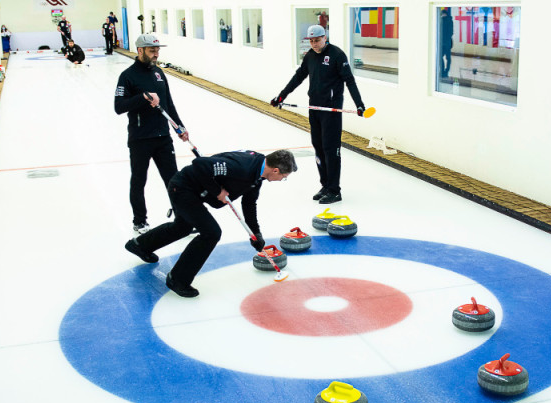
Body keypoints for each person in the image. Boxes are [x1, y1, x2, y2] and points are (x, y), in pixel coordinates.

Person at [124, 149, 297, 297]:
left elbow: (249, 203)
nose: (282, 180)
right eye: (284, 176)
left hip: (195, 192)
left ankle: (140, 245)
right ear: (275, 170)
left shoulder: (258, 174)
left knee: (182, 226)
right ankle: (177, 279)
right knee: (211, 233)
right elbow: (200, 164)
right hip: (183, 188)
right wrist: (217, 190)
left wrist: (255, 234)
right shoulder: (243, 167)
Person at [270, 25, 364, 205]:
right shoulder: (310, 56)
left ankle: (335, 190)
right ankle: (325, 186)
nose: (313, 44)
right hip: (314, 109)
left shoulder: (337, 55)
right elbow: (298, 77)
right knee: (319, 148)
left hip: (331, 111)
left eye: (317, 40)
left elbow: (349, 81)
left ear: (324, 38)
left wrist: (359, 104)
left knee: (331, 149)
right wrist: (281, 96)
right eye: (311, 41)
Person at [114, 34, 189, 234]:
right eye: (151, 50)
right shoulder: (127, 76)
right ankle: (139, 221)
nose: (156, 54)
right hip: (140, 138)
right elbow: (119, 107)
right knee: (139, 180)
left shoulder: (159, 73)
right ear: (140, 51)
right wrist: (143, 97)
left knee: (174, 181)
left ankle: (182, 220)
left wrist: (178, 127)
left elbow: (168, 103)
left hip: (163, 137)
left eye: (157, 50)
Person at [440, 8, 453, 79]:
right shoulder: (450, 20)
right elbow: (451, 33)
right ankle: (446, 71)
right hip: (448, 43)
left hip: (443, 43)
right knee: (448, 58)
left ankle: (442, 72)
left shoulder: (442, 21)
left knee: (440, 57)